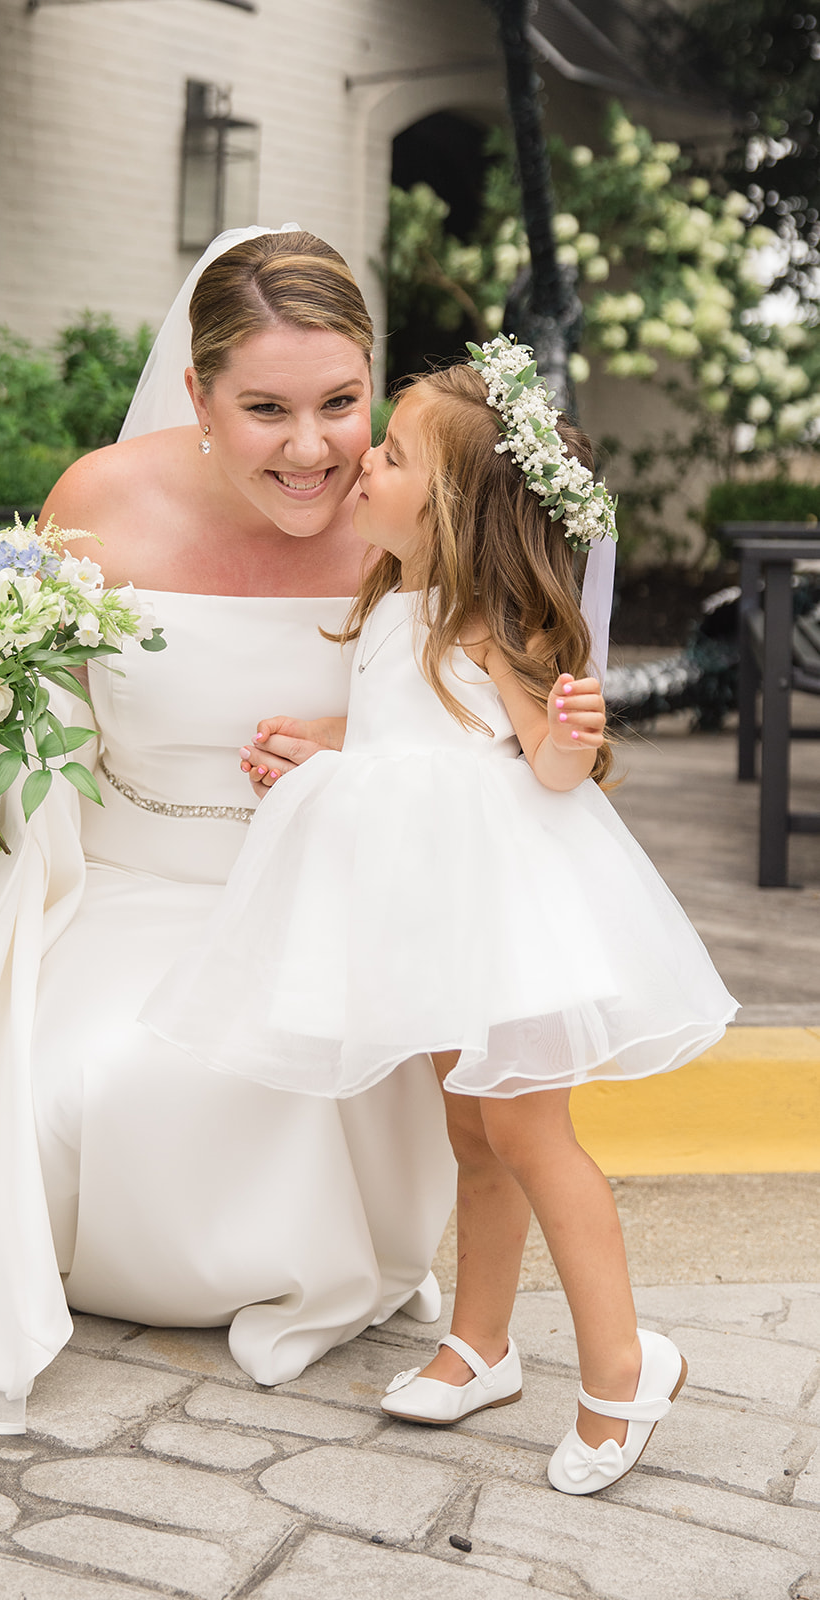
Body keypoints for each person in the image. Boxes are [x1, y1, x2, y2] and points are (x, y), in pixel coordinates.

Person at [0, 226, 456, 1435]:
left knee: (246, 1072)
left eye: (340, 404)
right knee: (75, 1096)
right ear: (196, 395)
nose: (312, 451)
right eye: (264, 410)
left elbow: (482, 727)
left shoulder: (416, 517)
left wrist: (371, 754)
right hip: (132, 889)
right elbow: (41, 708)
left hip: (330, 907)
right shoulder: (102, 501)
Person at [144, 340, 738, 1495]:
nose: (366, 458)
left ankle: (623, 1368)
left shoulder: (488, 624)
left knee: (527, 1138)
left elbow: (557, 768)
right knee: (468, 1139)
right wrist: (315, 749)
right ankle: (480, 1344)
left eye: (397, 453)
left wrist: (567, 728)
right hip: (425, 920)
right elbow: (399, 740)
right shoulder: (394, 606)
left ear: (456, 504)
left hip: (505, 919)